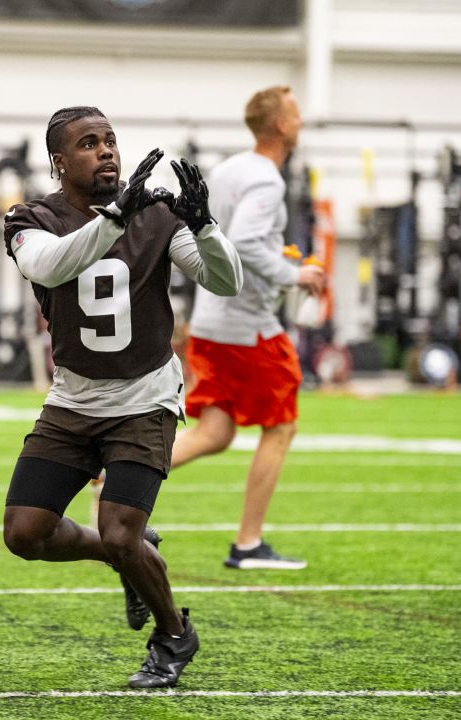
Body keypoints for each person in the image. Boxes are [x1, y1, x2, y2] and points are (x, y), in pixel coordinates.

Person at [1, 106, 242, 689]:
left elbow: (225, 281)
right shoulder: (31, 217)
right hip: (75, 399)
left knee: (119, 530)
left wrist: (206, 226)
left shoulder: (155, 214)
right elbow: (51, 266)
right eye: (89, 143)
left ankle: (174, 634)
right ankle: (127, 556)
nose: (106, 151)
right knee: (24, 534)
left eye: (110, 140)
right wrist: (114, 218)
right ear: (60, 162)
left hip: (145, 396)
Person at [171, 86, 326, 570]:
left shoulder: (227, 170)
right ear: (279, 125)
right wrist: (294, 273)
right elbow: (245, 242)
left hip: (212, 319)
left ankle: (113, 473)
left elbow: (222, 237)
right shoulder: (267, 181)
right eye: (296, 114)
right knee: (282, 426)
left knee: (214, 432)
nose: (301, 121)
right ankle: (248, 544)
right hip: (246, 326)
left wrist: (278, 260)